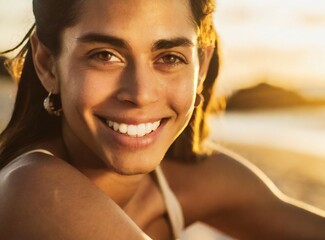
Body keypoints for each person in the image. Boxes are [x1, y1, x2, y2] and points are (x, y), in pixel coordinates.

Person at [0, 0, 324, 239]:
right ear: (47, 64)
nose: (140, 94)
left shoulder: (191, 180)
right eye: (105, 55)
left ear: (201, 68)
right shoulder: (31, 186)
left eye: (169, 57)